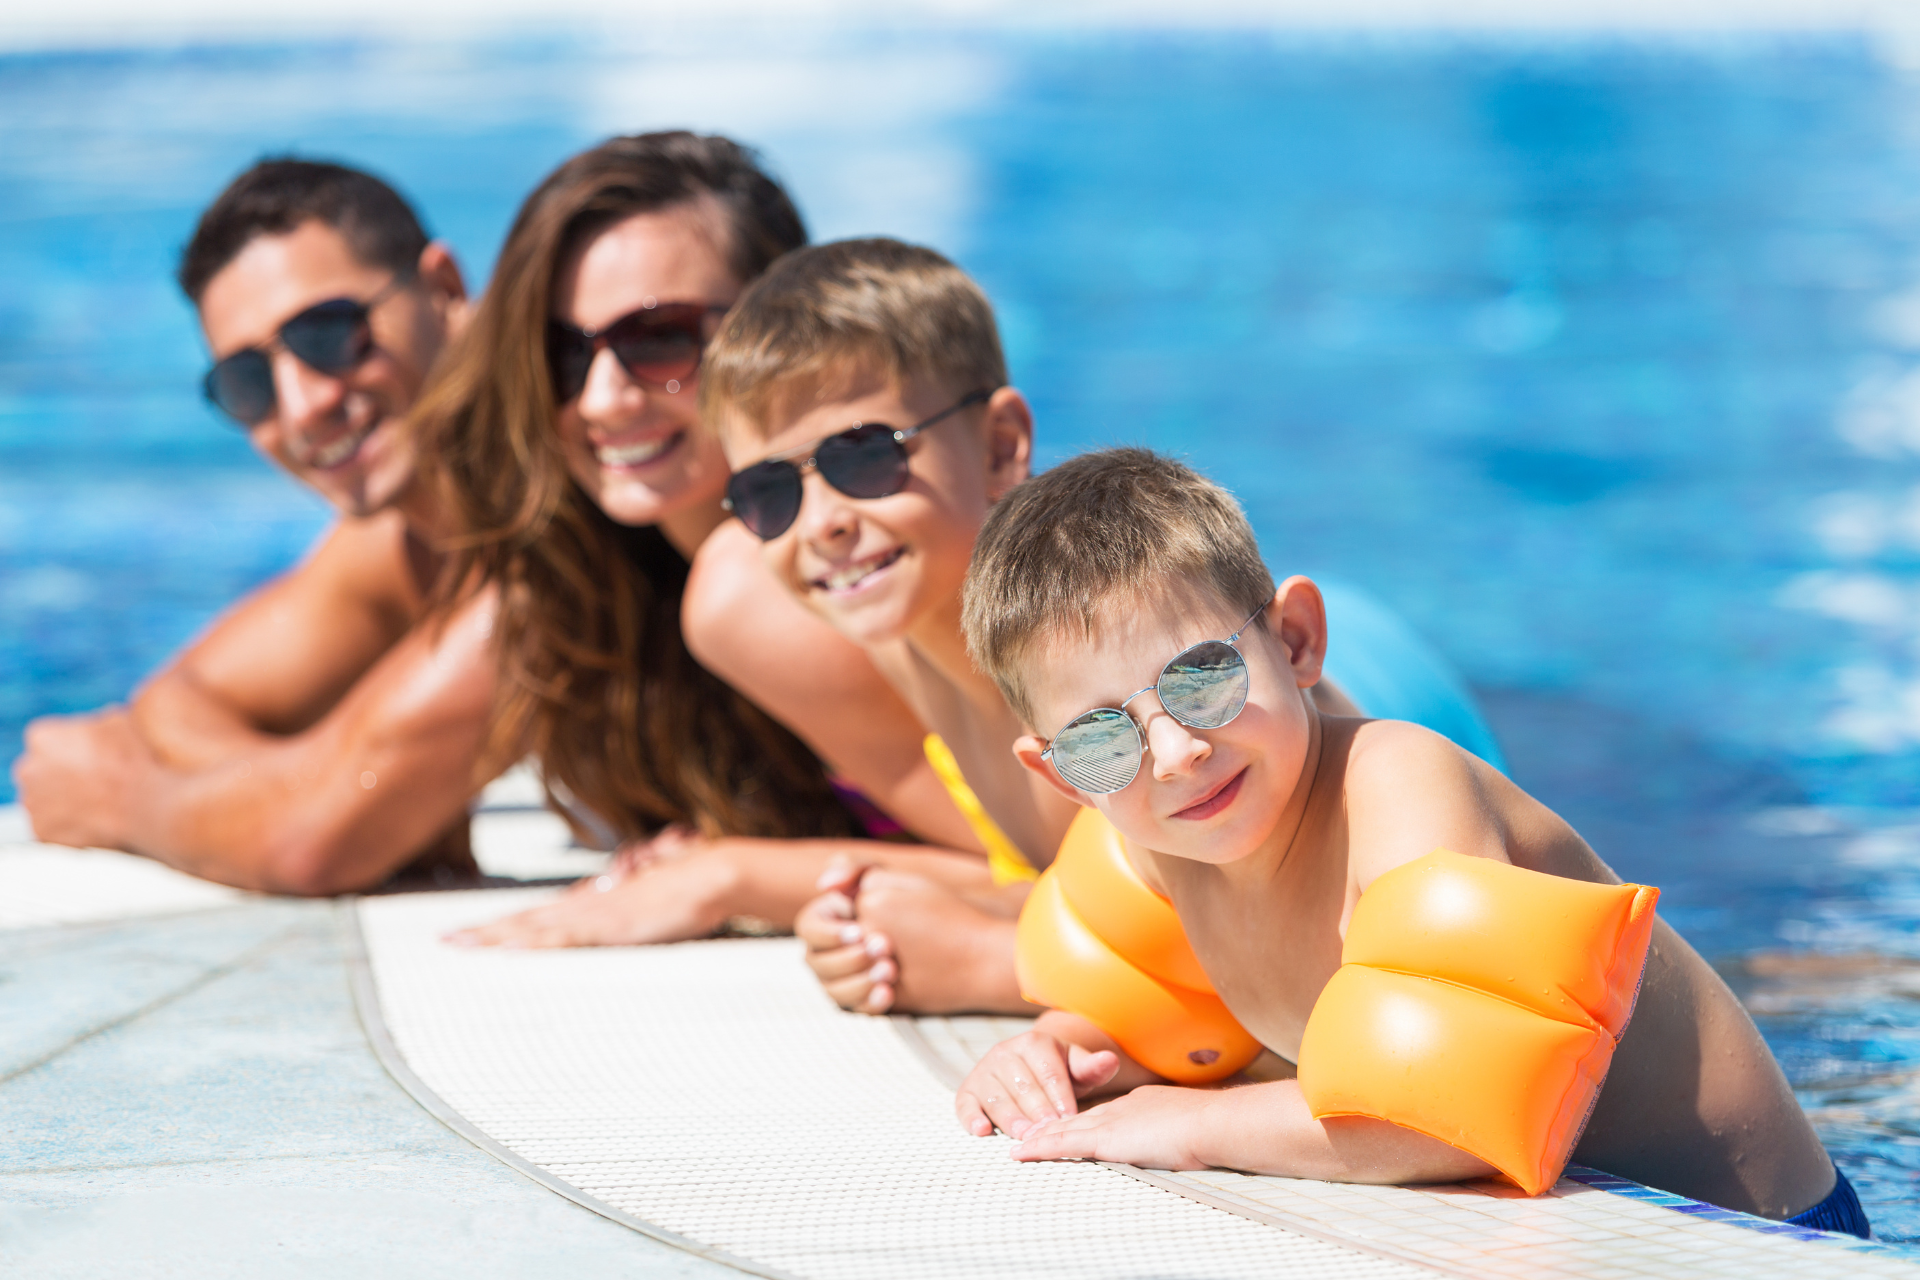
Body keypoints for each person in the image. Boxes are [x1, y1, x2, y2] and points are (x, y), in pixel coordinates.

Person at [948, 447, 1866, 1234]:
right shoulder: (1157, 845)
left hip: (1760, 1236)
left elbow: (1446, 1116)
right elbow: (1158, 1013)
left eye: (1202, 679)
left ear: (1297, 640)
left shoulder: (1400, 789)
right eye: (1106, 740)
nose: (1179, 753)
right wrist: (1060, 1050)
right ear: (1063, 773)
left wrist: (1187, 1124)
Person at [697, 237, 1371, 1014]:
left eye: (863, 458)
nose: (821, 524)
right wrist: (856, 904)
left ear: (1000, 445)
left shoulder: (1119, 680)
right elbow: (1057, 878)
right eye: (767, 493)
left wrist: (997, 961)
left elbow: (1298, 945)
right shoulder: (885, 623)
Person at [410, 134, 994, 953]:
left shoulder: (761, 580)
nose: (605, 398)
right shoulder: (626, 585)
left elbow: (1031, 872)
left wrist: (731, 876)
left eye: (659, 339)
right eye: (564, 354)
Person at [11, 159, 498, 894]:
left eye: (329, 334)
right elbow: (179, 700)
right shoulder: (403, 546)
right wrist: (303, 784)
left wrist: (120, 798)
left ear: (444, 290)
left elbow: (311, 845)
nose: (303, 406)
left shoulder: (561, 521)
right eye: (248, 382)